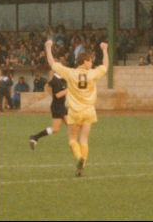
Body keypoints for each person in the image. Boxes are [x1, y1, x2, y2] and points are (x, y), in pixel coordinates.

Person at [44, 39, 109, 177]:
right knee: (84, 139)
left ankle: (79, 157)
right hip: (89, 111)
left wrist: (48, 47)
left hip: (74, 111)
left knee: (72, 139)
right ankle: (82, 165)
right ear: (84, 62)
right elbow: (105, 66)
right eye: (90, 61)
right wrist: (104, 50)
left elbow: (52, 63)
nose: (91, 64)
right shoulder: (92, 74)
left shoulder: (70, 73)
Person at [29, 71, 68, 150]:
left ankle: (76, 144)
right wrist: (69, 90)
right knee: (56, 129)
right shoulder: (55, 81)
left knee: (71, 125)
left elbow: (47, 86)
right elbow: (58, 95)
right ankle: (34, 137)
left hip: (62, 106)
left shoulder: (63, 80)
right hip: (57, 107)